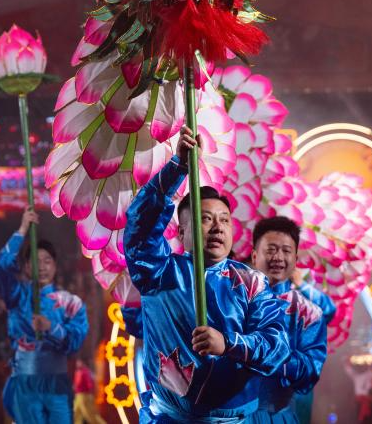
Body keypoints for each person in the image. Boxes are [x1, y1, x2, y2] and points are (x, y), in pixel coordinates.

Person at [123, 126, 290, 422]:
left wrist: (228, 344)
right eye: (205, 219)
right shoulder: (159, 271)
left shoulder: (251, 282)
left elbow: (277, 346)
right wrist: (178, 168)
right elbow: (140, 225)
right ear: (182, 231)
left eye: (224, 220)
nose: (217, 227)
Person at [0, 208, 89, 423]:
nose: (42, 267)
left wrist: (51, 328)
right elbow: (0, 268)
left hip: (58, 385)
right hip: (25, 383)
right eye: (36, 261)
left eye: (47, 261)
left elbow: (75, 343)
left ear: (55, 266)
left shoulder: (71, 303)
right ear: (27, 267)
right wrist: (23, 229)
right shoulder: (17, 296)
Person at [247, 216, 329, 423]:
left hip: (276, 416)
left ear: (296, 260)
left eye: (286, 250)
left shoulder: (309, 313)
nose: (278, 257)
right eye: (271, 249)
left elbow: (310, 373)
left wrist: (271, 356)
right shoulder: (230, 301)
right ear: (255, 256)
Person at [72, 358, 106, 424]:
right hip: (79, 395)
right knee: (76, 414)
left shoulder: (84, 372)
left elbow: (84, 384)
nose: (77, 363)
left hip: (84, 395)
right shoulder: (81, 372)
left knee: (90, 415)